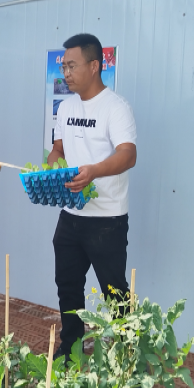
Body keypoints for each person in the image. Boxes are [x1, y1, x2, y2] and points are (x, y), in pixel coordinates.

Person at [47, 34, 137, 362]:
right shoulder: (66, 107)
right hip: (71, 215)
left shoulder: (116, 107)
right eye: (64, 67)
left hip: (106, 219)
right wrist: (53, 166)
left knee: (115, 294)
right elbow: (58, 149)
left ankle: (127, 362)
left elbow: (128, 155)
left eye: (72, 66)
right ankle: (71, 350)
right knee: (67, 286)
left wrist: (94, 171)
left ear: (94, 65)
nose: (66, 73)